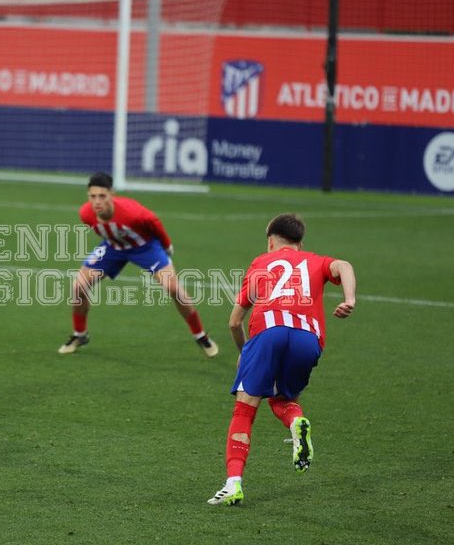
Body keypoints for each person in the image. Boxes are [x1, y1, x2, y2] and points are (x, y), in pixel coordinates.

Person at [207, 213, 356, 506]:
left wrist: (245, 353)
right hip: (307, 339)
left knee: (245, 408)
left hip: (269, 331)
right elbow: (344, 265)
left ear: (270, 239)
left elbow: (234, 322)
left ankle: (233, 483)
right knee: (282, 397)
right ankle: (297, 422)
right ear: (299, 242)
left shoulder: (261, 264)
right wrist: (349, 299)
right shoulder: (315, 260)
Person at [58, 172, 219, 358]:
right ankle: (80, 335)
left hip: (146, 248)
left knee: (173, 288)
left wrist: (167, 246)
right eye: (92, 196)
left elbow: (154, 222)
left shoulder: (131, 212)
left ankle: (200, 335)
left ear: (112, 194)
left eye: (102, 196)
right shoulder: (85, 214)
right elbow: (106, 231)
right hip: (113, 247)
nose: (97, 202)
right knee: (79, 286)